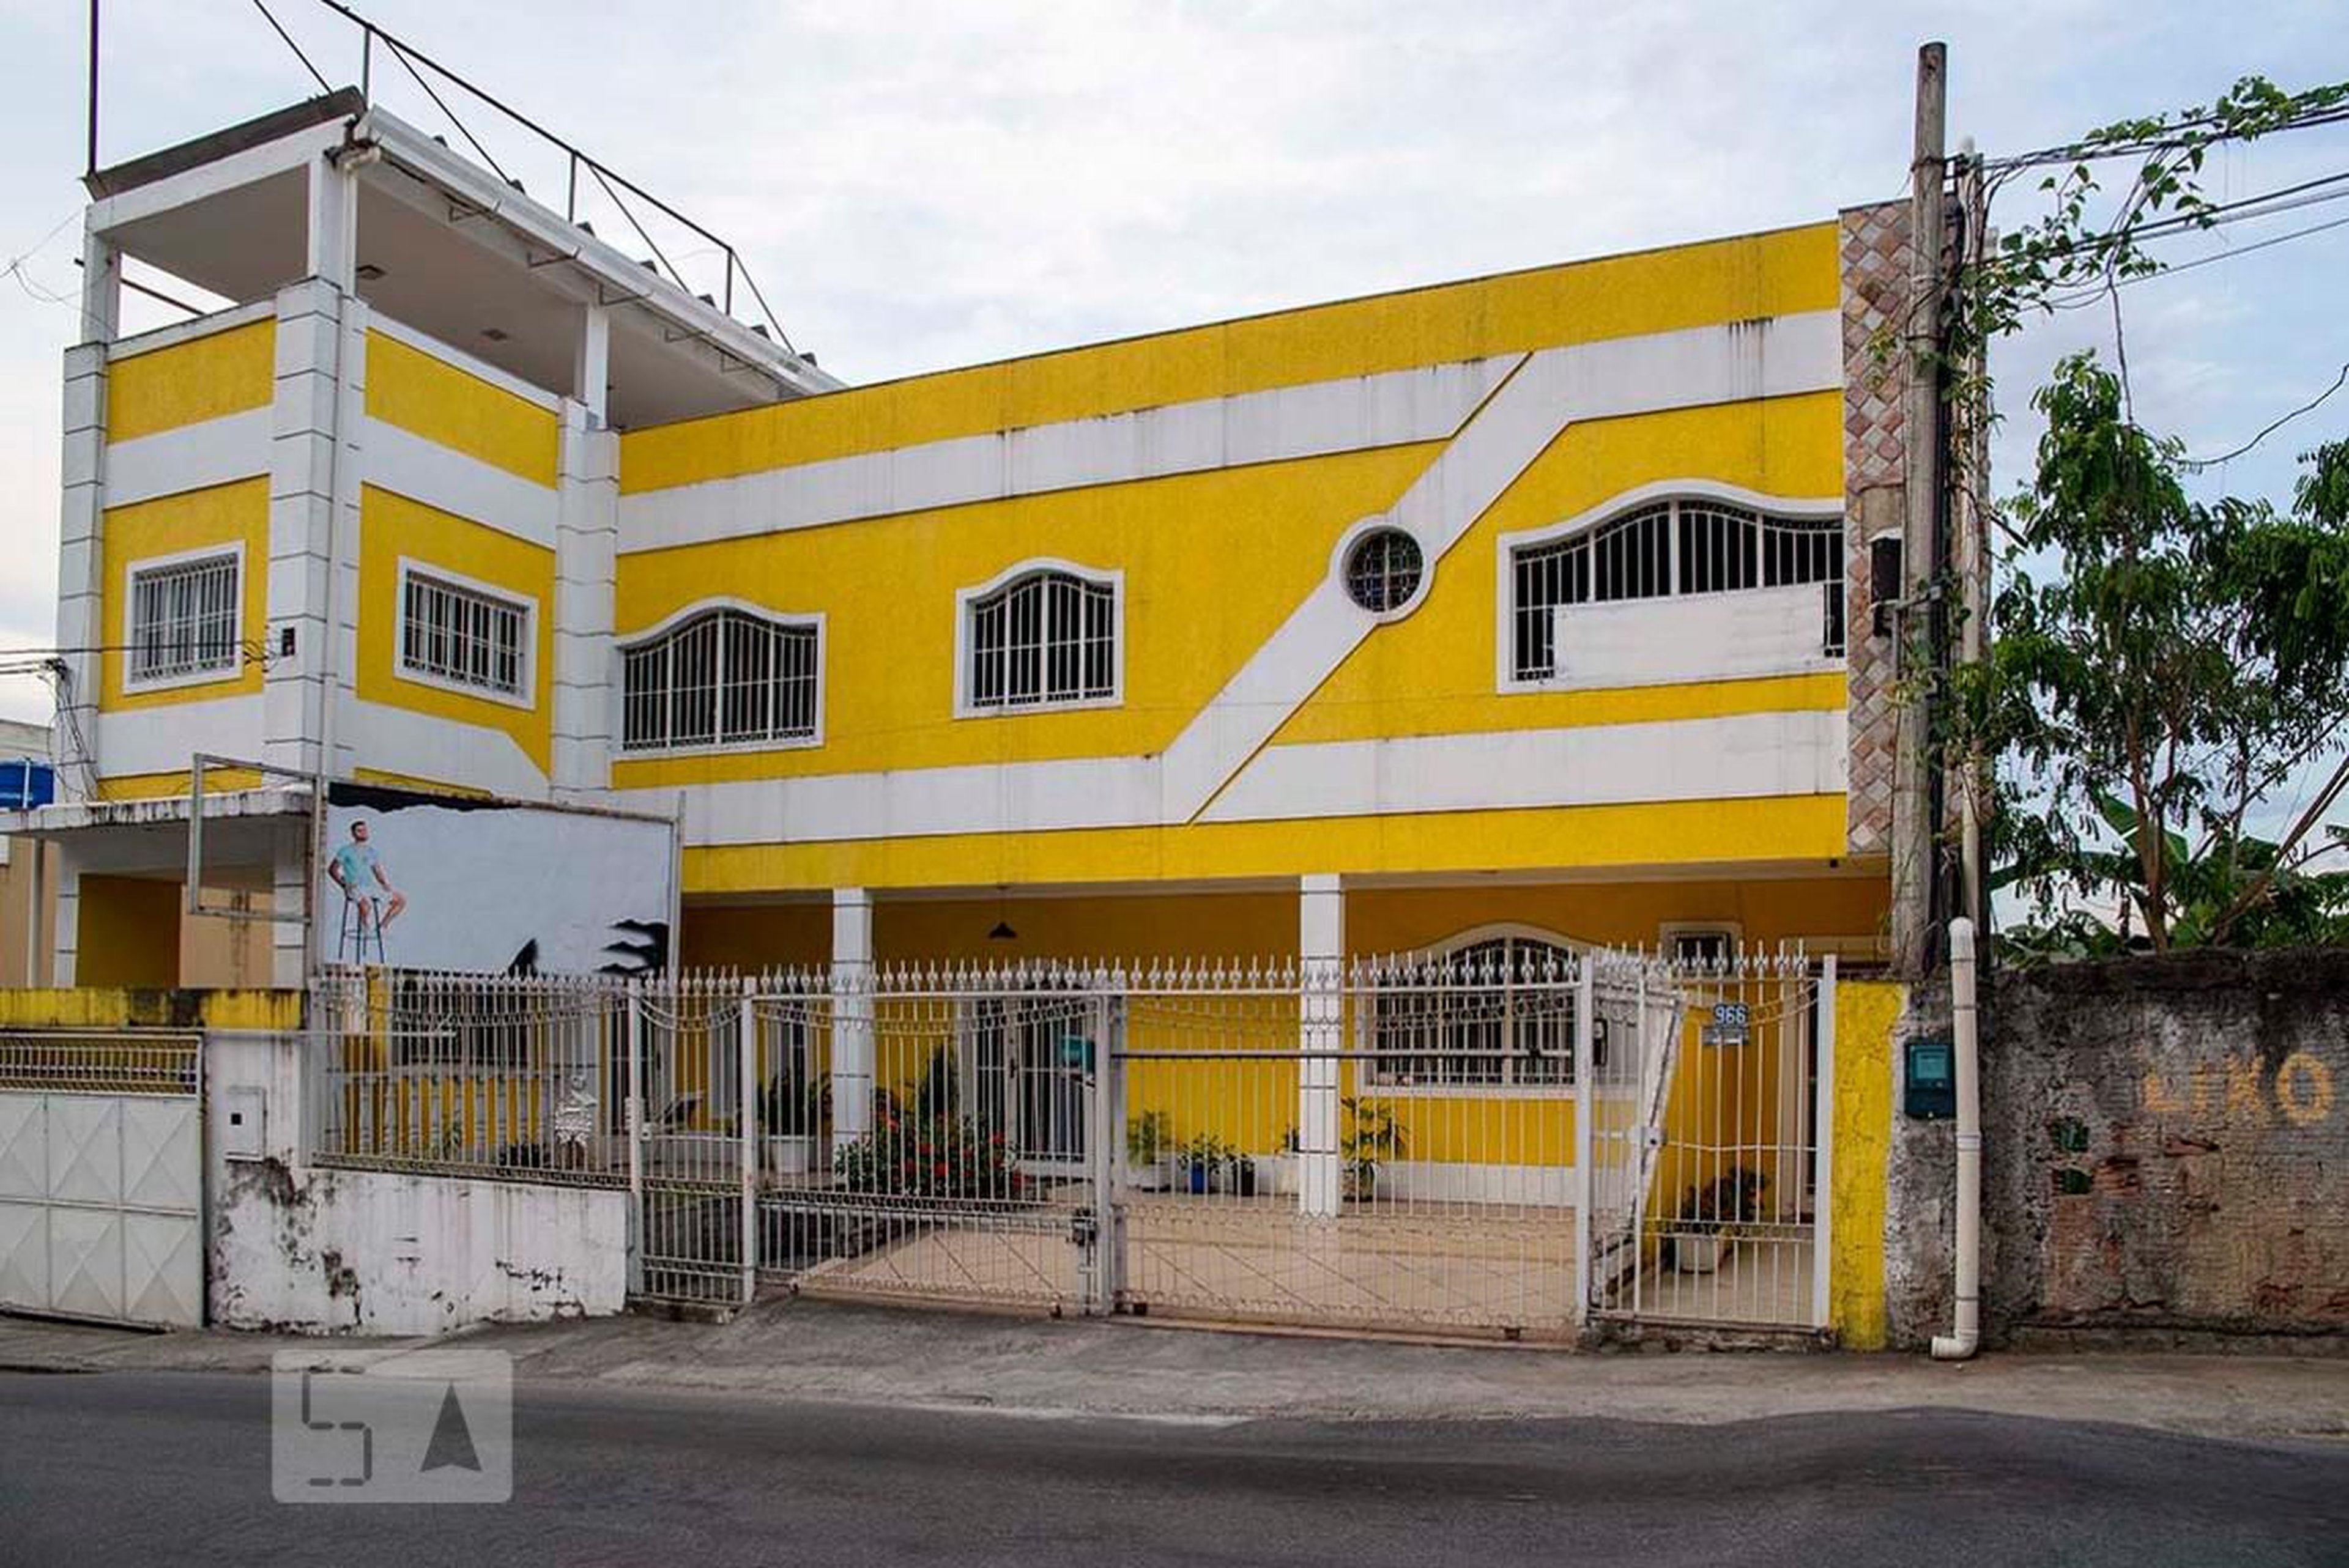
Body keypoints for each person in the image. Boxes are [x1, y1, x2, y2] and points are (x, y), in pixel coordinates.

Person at [326, 819, 406, 934]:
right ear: (353, 834)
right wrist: (344, 885)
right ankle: (364, 928)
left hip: (369, 886)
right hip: (355, 887)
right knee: (366, 906)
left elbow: (377, 871)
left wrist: (385, 884)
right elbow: (332, 870)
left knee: (401, 900)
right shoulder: (346, 851)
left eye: (365, 830)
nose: (363, 833)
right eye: (359, 831)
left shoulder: (371, 851)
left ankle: (382, 927)